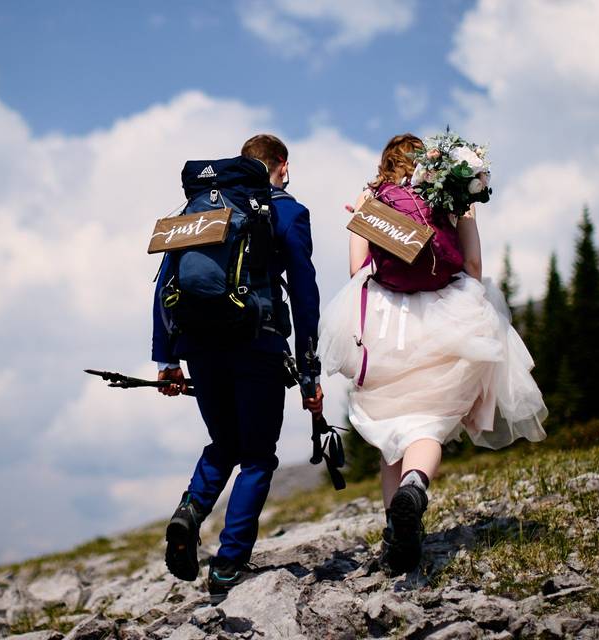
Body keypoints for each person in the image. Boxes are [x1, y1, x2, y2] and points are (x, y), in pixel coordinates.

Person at [318, 133, 547, 575]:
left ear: (385, 163)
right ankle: (416, 487)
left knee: (391, 430)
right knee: (429, 421)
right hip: (446, 316)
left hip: (386, 321)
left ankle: (396, 531)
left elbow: (356, 269)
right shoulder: (453, 195)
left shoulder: (372, 197)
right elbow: (474, 266)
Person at [152, 134, 323, 599]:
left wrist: (167, 359)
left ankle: (189, 512)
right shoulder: (286, 210)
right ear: (280, 165)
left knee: (223, 442)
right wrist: (309, 368)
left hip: (199, 346)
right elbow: (306, 293)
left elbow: (165, 282)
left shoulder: (199, 209)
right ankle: (228, 564)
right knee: (258, 456)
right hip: (257, 344)